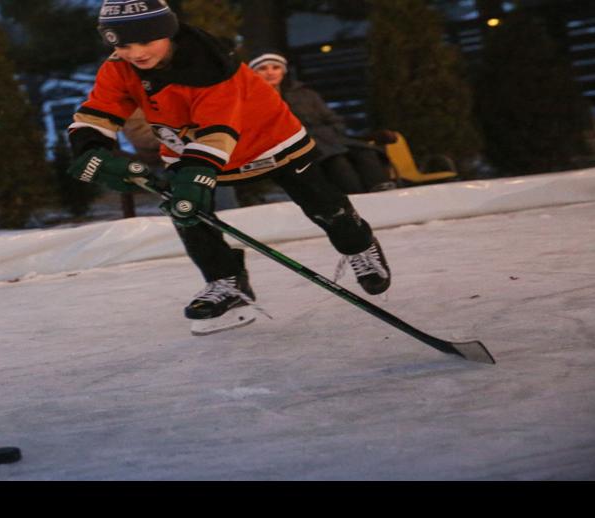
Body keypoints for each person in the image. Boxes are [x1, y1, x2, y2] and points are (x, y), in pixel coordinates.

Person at [65, 0, 392, 335]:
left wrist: (195, 175)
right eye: (122, 44)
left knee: (322, 203)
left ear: (168, 32)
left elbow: (218, 127)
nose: (135, 53)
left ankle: (358, 245)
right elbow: (99, 111)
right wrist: (90, 149)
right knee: (187, 213)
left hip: (267, 140)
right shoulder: (119, 67)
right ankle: (227, 282)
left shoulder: (212, 65)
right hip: (190, 146)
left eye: (146, 41)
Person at [246, 51, 394, 195]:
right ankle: (356, 196)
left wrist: (335, 131)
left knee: (365, 152)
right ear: (254, 73)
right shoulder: (253, 100)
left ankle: (382, 192)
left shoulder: (305, 94)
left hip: (331, 137)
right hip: (300, 144)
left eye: (275, 67)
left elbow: (332, 117)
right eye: (263, 68)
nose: (270, 72)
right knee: (336, 160)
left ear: (283, 71)